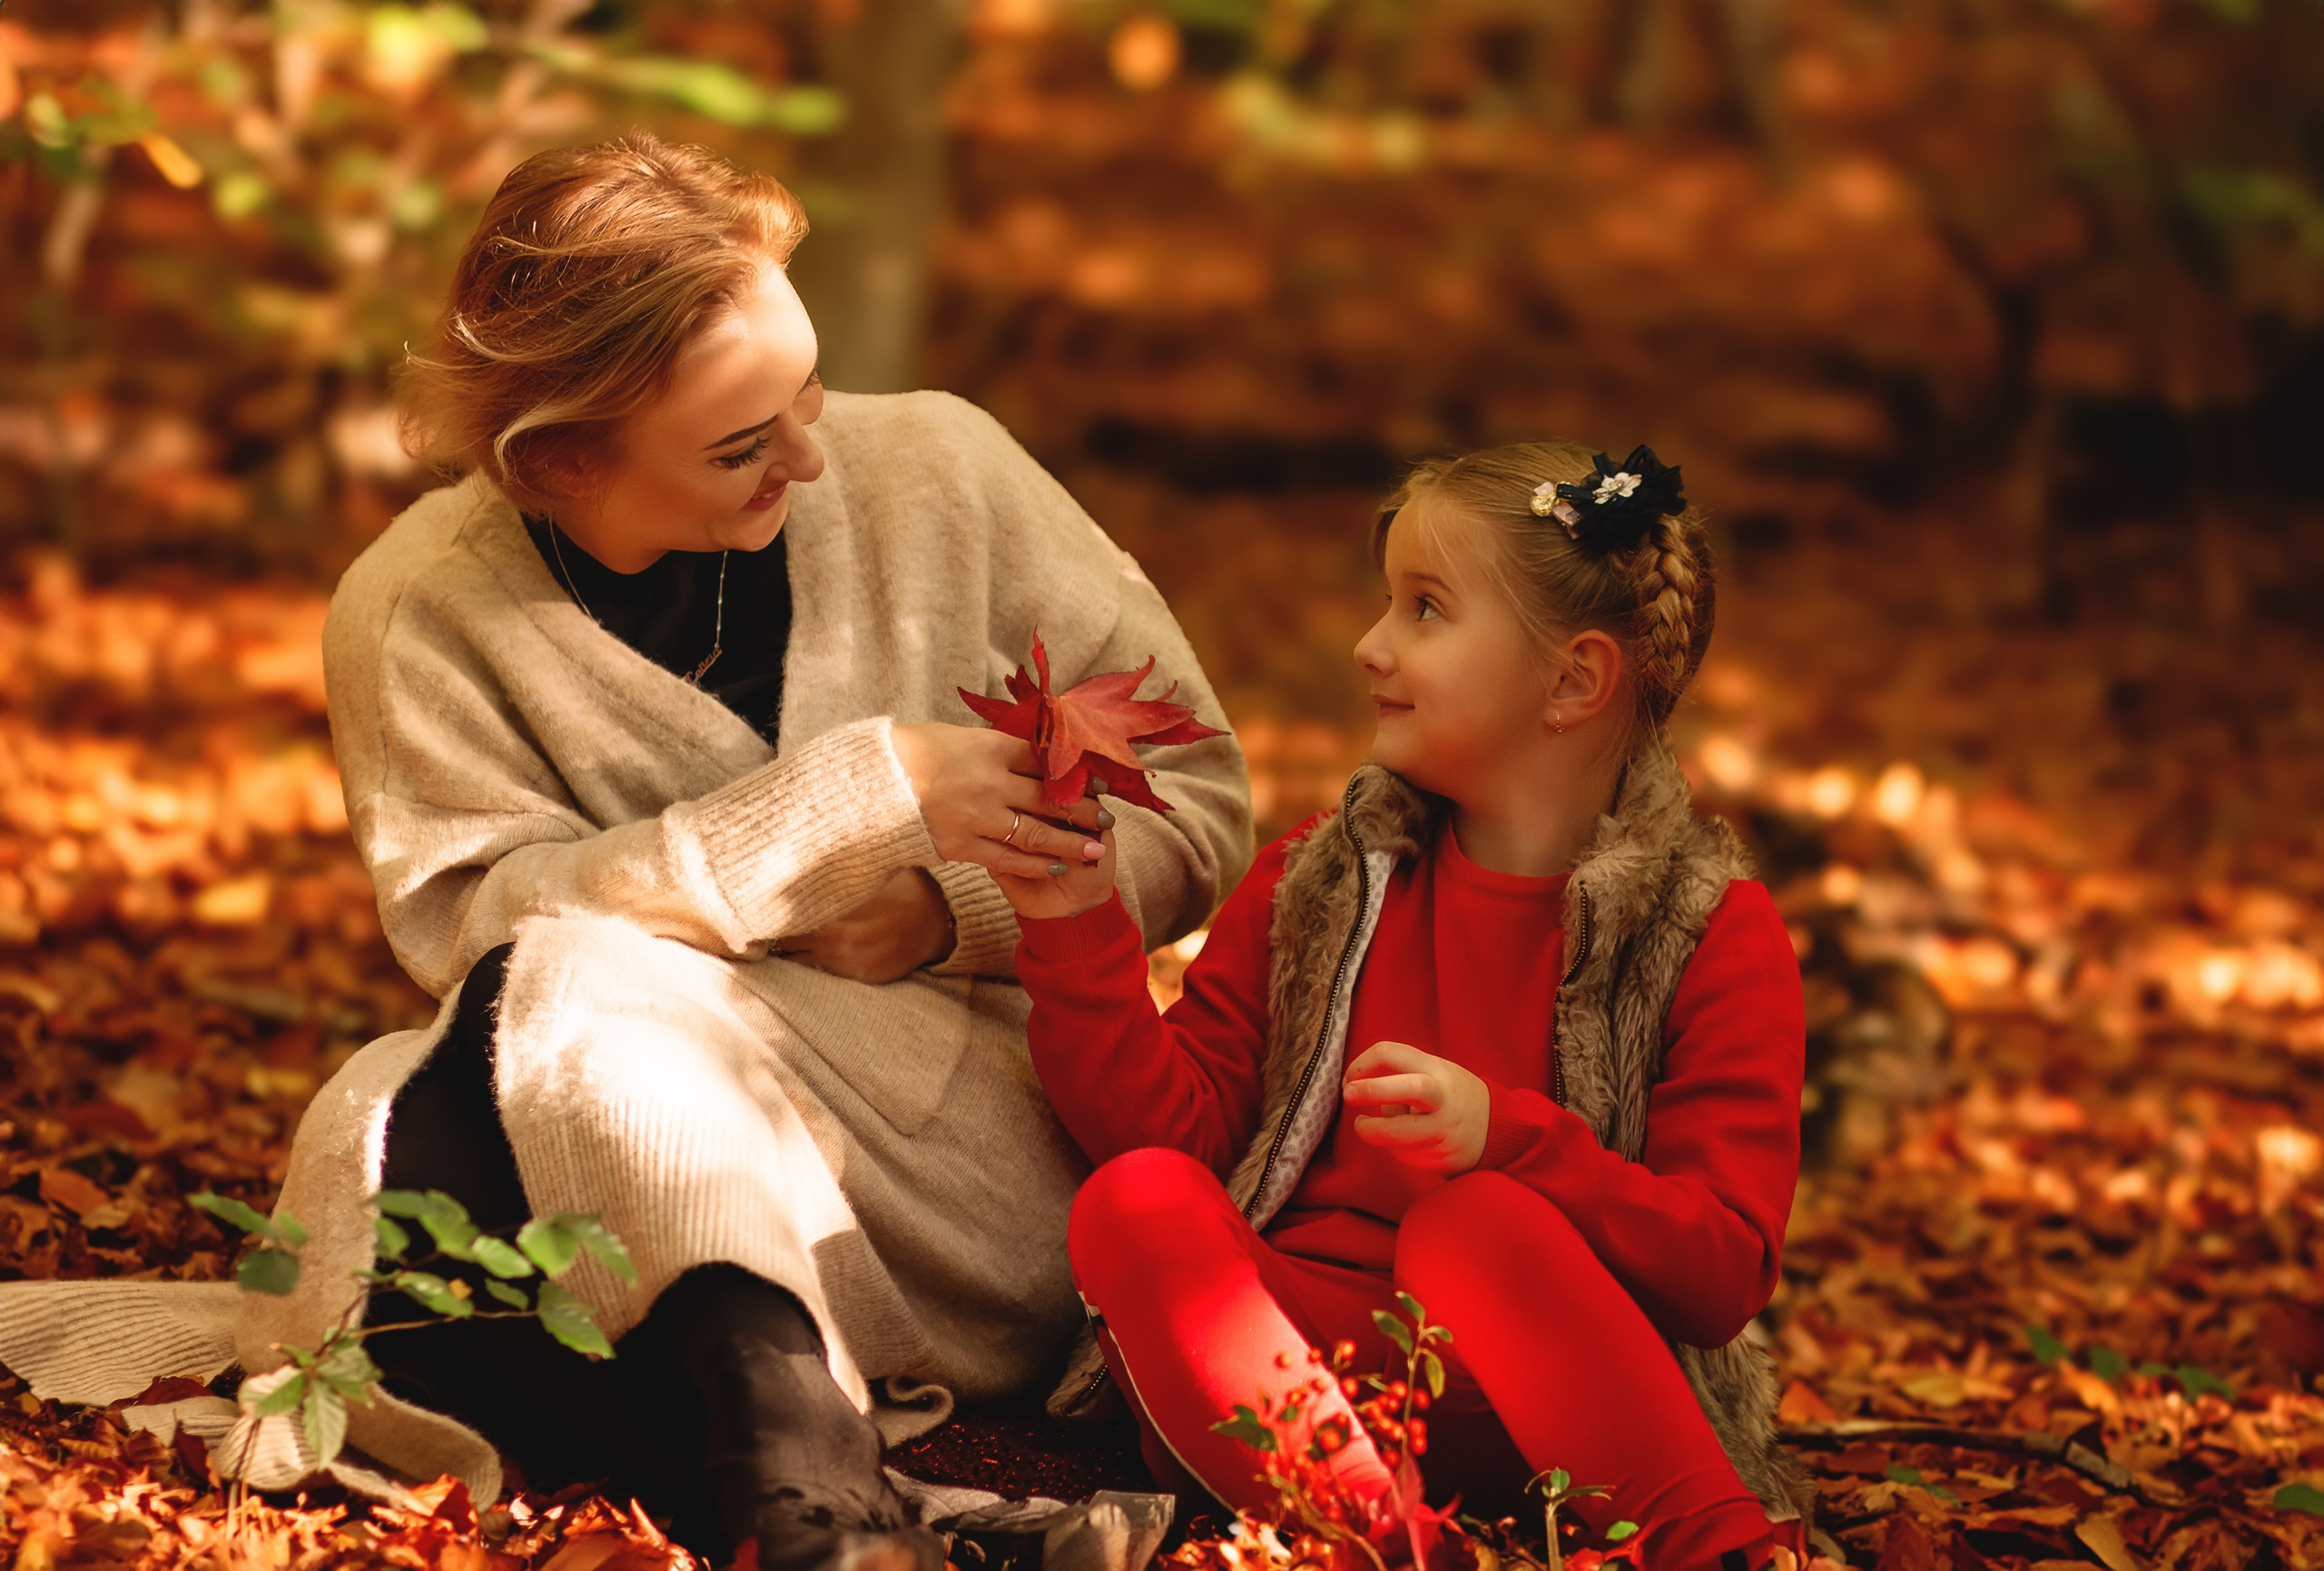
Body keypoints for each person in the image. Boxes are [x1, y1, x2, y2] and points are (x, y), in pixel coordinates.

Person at [260, 132, 1247, 1567]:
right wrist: (841, 804)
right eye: (741, 441)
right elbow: (483, 947)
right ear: (561, 460)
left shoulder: (950, 469)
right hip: (623, 1125)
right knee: (381, 1140)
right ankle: (826, 1497)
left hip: (973, 1171)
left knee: (516, 1027)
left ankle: (813, 1481)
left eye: (810, 387)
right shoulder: (417, 610)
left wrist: (940, 907)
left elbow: (1201, 794)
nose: (811, 453)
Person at [993, 444, 1815, 1570]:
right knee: (1137, 1200)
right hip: (1290, 1383)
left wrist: (1508, 1140)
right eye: (1388, 602)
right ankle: (1383, 1544)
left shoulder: (1705, 929)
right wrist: (1077, 923)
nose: (1369, 645)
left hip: (1565, 1406)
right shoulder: (1317, 885)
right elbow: (1176, 1134)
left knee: (1470, 1221)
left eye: (1425, 609)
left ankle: (1719, 1551)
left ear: (1574, 681)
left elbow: (1721, 1269)